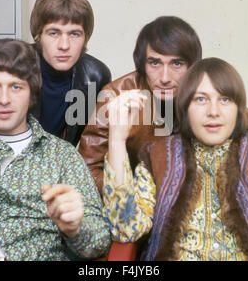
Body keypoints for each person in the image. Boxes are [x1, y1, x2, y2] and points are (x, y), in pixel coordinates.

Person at [102, 57, 248, 261]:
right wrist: (117, 140)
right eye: (201, 99)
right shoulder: (157, 156)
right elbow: (125, 229)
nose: (213, 112)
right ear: (185, 107)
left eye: (225, 100)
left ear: (238, 107)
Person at [0, 39, 110, 261]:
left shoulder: (62, 157)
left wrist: (75, 227)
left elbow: (98, 244)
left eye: (16, 87)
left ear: (32, 93)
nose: (4, 99)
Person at [0, 0, 111, 147]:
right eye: (54, 33)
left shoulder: (95, 76)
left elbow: (96, 143)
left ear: (85, 37)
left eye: (74, 34)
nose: (64, 45)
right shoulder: (6, 68)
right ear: (39, 35)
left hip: (59, 166)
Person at [78, 16, 202, 192]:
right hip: (131, 205)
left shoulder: (204, 90)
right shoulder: (115, 95)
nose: (165, 78)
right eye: (155, 63)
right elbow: (87, 171)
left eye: (176, 63)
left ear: (191, 66)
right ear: (142, 64)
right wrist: (138, 196)